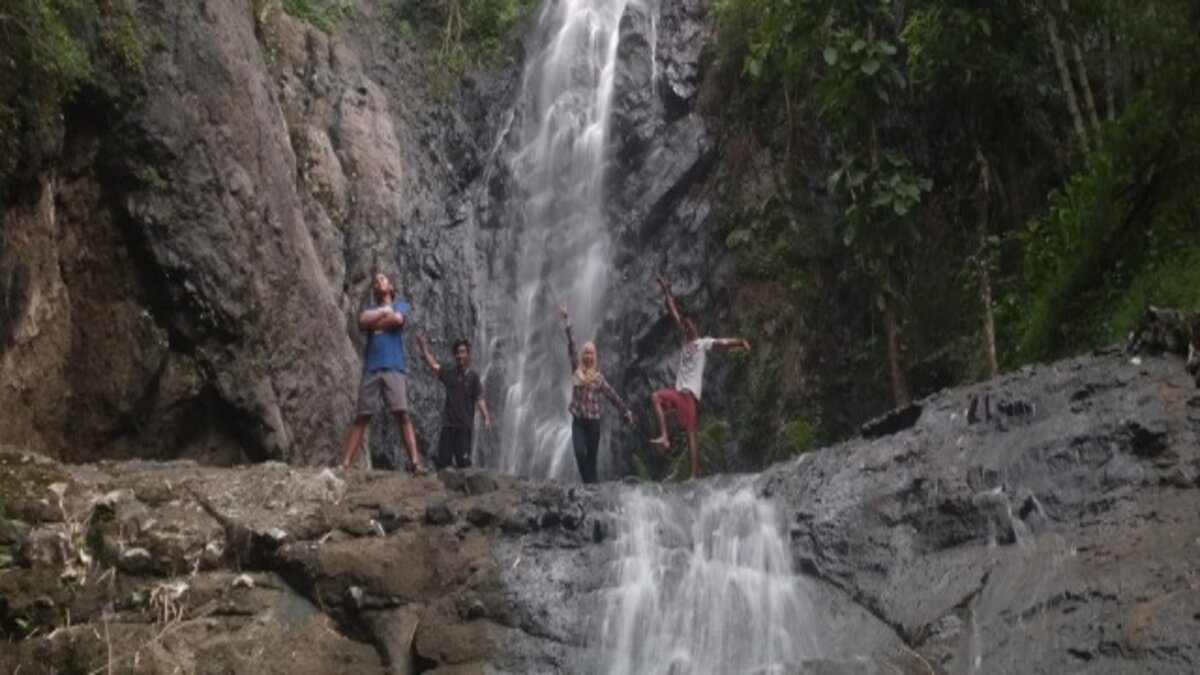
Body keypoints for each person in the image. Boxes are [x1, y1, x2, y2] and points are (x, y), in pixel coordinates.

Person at [649, 272, 751, 480]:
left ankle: (694, 475)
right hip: (679, 393)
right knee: (655, 397)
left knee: (690, 433)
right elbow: (673, 311)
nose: (686, 329)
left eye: (689, 326)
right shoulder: (685, 343)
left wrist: (740, 342)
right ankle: (665, 436)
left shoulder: (702, 344)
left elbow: (722, 343)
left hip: (689, 396)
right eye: (685, 327)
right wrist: (665, 289)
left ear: (696, 327)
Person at [339, 272, 425, 474]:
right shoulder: (369, 309)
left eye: (382, 279)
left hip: (394, 366)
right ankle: (345, 464)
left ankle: (415, 463)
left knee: (402, 413)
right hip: (371, 367)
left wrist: (377, 320)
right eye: (375, 281)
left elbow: (396, 319)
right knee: (362, 416)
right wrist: (384, 314)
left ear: (391, 286)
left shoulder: (400, 305)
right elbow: (362, 320)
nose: (378, 282)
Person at [561, 303, 635, 484]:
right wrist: (568, 322)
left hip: (593, 424)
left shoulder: (599, 378)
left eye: (591, 353)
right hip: (578, 422)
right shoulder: (576, 369)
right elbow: (572, 345)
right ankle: (588, 484)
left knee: (592, 460)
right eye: (585, 352)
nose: (587, 356)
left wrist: (625, 412)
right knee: (580, 453)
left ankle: (591, 492)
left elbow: (613, 397)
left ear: (594, 357)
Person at [413, 334, 492, 469]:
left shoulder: (473, 378)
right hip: (448, 427)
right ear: (454, 355)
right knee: (443, 464)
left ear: (468, 355)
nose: (460, 356)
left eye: (463, 352)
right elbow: (433, 365)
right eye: (458, 353)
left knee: (464, 464)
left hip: (464, 428)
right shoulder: (449, 374)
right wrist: (423, 347)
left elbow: (479, 398)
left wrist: (486, 417)